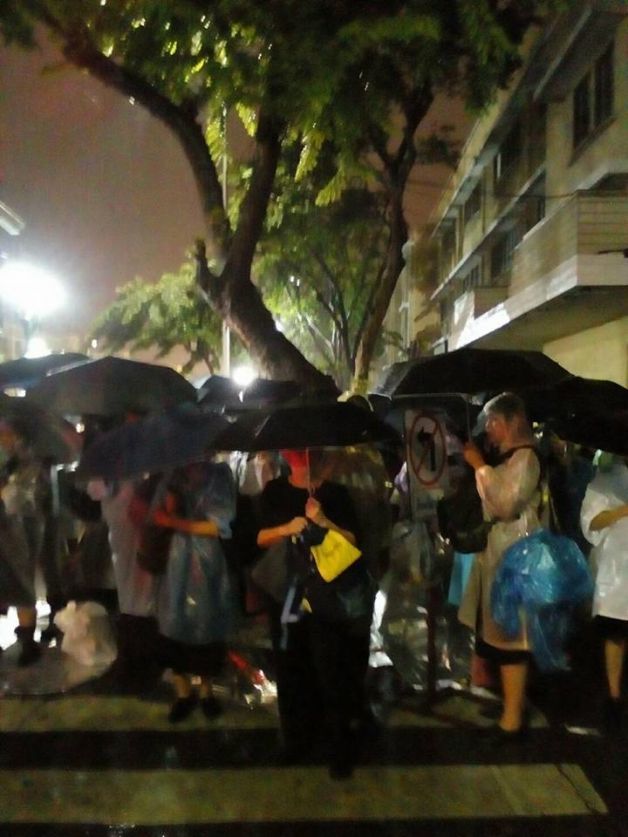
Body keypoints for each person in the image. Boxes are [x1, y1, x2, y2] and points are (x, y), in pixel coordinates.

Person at [256, 448, 374, 779]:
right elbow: (260, 537)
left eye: (302, 450)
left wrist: (323, 521)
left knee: (331, 667)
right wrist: (287, 527)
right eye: (291, 450)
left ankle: (339, 745)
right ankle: (296, 739)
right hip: (289, 593)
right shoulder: (274, 490)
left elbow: (352, 540)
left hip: (327, 594)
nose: (296, 455)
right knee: (290, 664)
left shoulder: (335, 493)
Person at [458, 392, 542, 740]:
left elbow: (506, 503)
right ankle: (511, 704)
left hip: (516, 561)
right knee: (500, 635)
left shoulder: (526, 458)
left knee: (512, 638)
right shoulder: (510, 458)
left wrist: (479, 466)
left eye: (494, 421)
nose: (488, 428)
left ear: (511, 422)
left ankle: (512, 721)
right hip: (501, 558)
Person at [151, 457, 237, 723]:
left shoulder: (219, 477)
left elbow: (219, 526)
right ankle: (183, 692)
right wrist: (170, 506)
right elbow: (158, 516)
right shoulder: (171, 477)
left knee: (206, 625)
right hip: (176, 563)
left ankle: (206, 691)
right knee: (173, 625)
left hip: (206, 562)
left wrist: (175, 523)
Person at [580, 452, 628, 732]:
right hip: (617, 571)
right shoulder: (604, 482)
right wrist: (622, 511)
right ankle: (614, 696)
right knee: (616, 632)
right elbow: (591, 523)